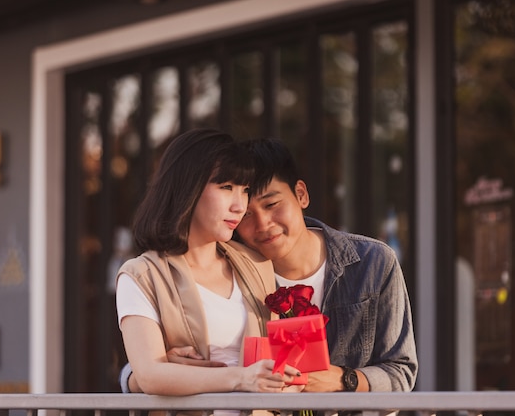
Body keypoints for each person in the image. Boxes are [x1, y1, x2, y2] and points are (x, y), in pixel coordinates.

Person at [121, 137, 418, 394]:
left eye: (272, 204)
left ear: (300, 195)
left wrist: (343, 379)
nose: (262, 224)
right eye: (247, 214)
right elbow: (159, 363)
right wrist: (138, 376)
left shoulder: (371, 262)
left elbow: (401, 371)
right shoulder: (248, 269)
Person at [115, 129, 301, 402]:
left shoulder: (256, 264)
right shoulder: (142, 275)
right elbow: (148, 375)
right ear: (188, 187)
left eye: (245, 190)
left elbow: (279, 358)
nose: (240, 206)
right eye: (226, 187)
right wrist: (241, 378)